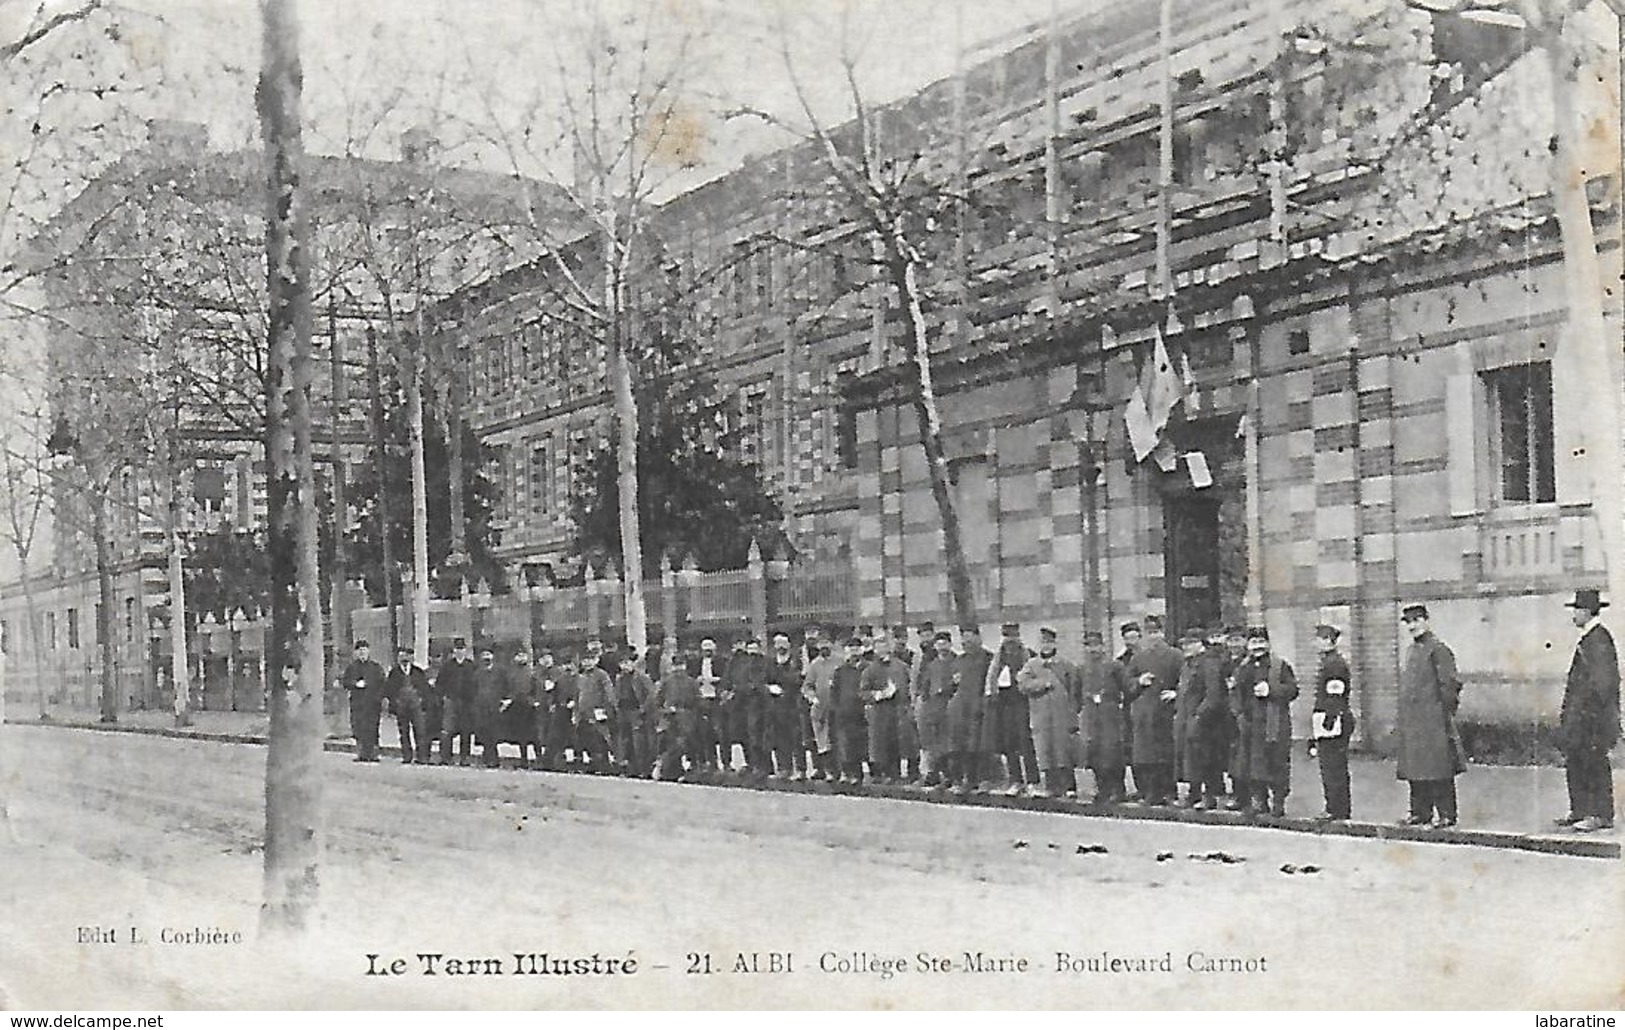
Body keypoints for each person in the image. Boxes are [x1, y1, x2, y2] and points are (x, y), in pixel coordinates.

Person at [1395, 605, 1464, 828]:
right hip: (1413, 721)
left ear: (1427, 621)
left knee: (1438, 768)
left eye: (1417, 620)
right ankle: (1420, 812)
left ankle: (1446, 814)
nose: (1412, 626)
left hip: (1434, 720)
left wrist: (1443, 712)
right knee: (1416, 768)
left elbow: (1450, 684)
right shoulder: (1411, 651)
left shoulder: (1439, 649)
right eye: (1408, 622)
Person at [1557, 589, 1619, 832]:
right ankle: (1580, 810)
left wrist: (1589, 717)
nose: (1573, 614)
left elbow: (1602, 686)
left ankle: (1600, 814)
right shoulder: (1589, 638)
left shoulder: (1599, 640)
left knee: (1594, 763)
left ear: (1585, 611)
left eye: (1575, 610)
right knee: (1577, 762)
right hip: (1580, 719)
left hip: (1592, 720)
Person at [1232, 626, 1298, 816]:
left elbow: (1293, 690)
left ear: (1268, 644)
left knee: (1277, 764)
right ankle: (1259, 801)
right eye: (1254, 642)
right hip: (1251, 725)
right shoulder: (1243, 668)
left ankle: (1278, 802)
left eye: (1261, 642)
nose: (1257, 647)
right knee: (1254, 766)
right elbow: (1235, 694)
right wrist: (1239, 715)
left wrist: (1272, 690)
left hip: (1275, 724)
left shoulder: (1280, 666)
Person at [1125, 615, 1181, 805]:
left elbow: (1186, 681)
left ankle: (1169, 792)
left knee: (1166, 754)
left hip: (1166, 711)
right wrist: (1139, 682)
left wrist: (1176, 694)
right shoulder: (1138, 658)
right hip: (1144, 712)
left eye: (1156, 632)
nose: (1153, 637)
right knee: (1147, 756)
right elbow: (1127, 685)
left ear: (1163, 633)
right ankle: (1151, 792)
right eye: (1149, 633)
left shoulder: (1175, 655)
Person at [1017, 627, 1078, 798]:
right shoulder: (1032, 665)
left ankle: (1069, 787)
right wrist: (1042, 684)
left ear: (1055, 644)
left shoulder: (1065, 664)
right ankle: (1051, 787)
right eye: (1043, 642)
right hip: (1041, 715)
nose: (1046, 646)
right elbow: (1022, 684)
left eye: (1049, 642)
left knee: (1063, 750)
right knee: (1046, 751)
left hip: (1061, 714)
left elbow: (1074, 687)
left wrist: (1073, 711)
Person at [983, 622, 1037, 795]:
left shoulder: (1027, 656)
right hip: (1004, 705)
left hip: (1023, 703)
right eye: (1007, 637)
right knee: (1009, 743)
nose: (1010, 641)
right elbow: (991, 679)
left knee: (1026, 743)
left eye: (1013, 636)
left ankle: (1033, 781)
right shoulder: (998, 659)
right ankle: (1015, 780)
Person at [1309, 624, 1355, 821]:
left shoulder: (1334, 664)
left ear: (1328, 640)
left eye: (1320, 638)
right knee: (1331, 766)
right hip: (1331, 719)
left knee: (1332, 767)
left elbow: (1335, 694)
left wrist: (1328, 722)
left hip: (1333, 721)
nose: (1316, 642)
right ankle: (1336, 808)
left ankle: (1336, 809)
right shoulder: (1329, 662)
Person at [1076, 629, 1128, 803]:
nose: (1093, 649)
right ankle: (1102, 788)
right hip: (1091, 715)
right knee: (1094, 752)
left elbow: (1126, 688)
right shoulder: (1082, 669)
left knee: (1112, 752)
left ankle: (1118, 790)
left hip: (1110, 714)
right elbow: (1076, 692)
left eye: (1096, 645)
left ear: (1103, 646)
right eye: (1089, 646)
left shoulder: (1115, 666)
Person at [945, 626, 992, 796]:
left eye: (970, 638)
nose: (966, 643)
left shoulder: (988, 659)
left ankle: (976, 779)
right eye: (964, 640)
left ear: (979, 638)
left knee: (977, 745)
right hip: (960, 708)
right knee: (958, 744)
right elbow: (950, 685)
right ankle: (958, 779)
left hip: (979, 707)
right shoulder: (958, 661)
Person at [860, 634, 911, 782]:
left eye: (885, 646)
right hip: (880, 712)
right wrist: (880, 694)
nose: (882, 650)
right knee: (882, 743)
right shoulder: (870, 670)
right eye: (879, 647)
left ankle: (901, 772)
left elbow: (910, 683)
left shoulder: (900, 666)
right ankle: (886, 773)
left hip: (899, 710)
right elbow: (863, 692)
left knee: (900, 742)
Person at [915, 631, 957, 788]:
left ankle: (952, 776)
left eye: (945, 643)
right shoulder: (932, 665)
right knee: (934, 744)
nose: (942, 647)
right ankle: (936, 773)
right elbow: (924, 688)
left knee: (950, 744)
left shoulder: (956, 662)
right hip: (934, 710)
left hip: (951, 709)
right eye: (939, 644)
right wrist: (925, 701)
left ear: (950, 644)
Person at [1171, 628, 1208, 805]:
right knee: (1189, 757)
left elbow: (1211, 693)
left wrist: (1199, 715)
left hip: (1200, 717)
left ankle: (1206, 796)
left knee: (1201, 756)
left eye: (1188, 643)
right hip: (1185, 715)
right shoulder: (1187, 664)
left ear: (1199, 643)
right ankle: (1194, 794)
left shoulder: (1206, 663)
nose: (1185, 647)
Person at [653, 653, 703, 781]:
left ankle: (690, 771)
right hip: (671, 720)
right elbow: (657, 701)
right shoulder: (667, 682)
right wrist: (665, 711)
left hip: (688, 719)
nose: (679, 669)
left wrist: (693, 714)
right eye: (676, 666)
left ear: (685, 666)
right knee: (671, 745)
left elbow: (699, 701)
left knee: (687, 745)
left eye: (681, 665)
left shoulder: (692, 682)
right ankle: (671, 771)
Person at [728, 638, 770, 778]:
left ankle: (761, 765)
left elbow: (766, 680)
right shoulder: (740, 663)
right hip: (741, 703)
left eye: (754, 648)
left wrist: (755, 687)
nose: (752, 651)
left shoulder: (765, 662)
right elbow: (734, 679)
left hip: (759, 703)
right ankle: (750, 763)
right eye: (749, 648)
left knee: (757, 735)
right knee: (743, 734)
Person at [830, 636, 869, 783]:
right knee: (847, 746)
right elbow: (834, 692)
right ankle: (850, 774)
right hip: (845, 715)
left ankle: (871, 775)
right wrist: (837, 710)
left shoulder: (868, 668)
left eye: (857, 649)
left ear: (862, 650)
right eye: (851, 649)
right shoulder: (840, 671)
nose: (854, 653)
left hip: (863, 714)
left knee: (864, 745)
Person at [340, 640, 387, 763]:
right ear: (356, 652)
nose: (362, 652)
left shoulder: (376, 667)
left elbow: (383, 683)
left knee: (373, 728)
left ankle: (373, 753)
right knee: (359, 728)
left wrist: (379, 698)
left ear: (369, 651)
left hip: (372, 703)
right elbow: (345, 682)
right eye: (359, 650)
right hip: (358, 703)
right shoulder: (351, 667)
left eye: (364, 650)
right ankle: (361, 753)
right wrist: (355, 684)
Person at [765, 633, 804, 778]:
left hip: (794, 704)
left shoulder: (796, 661)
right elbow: (765, 680)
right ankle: (784, 768)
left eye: (784, 643)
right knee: (780, 738)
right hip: (776, 705)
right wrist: (770, 688)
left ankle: (800, 769)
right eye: (778, 643)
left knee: (796, 738)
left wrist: (784, 680)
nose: (781, 646)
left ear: (789, 644)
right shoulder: (770, 662)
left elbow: (798, 678)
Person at [383, 644, 430, 764]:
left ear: (411, 658)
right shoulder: (394, 673)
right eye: (402, 656)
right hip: (401, 707)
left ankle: (422, 757)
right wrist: (395, 702)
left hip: (416, 706)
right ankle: (407, 756)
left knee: (419, 731)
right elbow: (389, 690)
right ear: (398, 658)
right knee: (403, 732)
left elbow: (425, 689)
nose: (404, 659)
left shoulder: (418, 672)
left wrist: (422, 701)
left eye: (407, 656)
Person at [436, 638, 478, 766]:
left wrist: (473, 699)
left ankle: (464, 758)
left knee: (466, 731)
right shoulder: (447, 666)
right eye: (457, 649)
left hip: (466, 702)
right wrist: (443, 698)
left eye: (462, 649)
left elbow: (476, 684)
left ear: (465, 650)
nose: (460, 651)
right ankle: (445, 758)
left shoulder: (471, 666)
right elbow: (440, 684)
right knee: (447, 731)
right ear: (454, 651)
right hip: (451, 701)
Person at [614, 650, 656, 778]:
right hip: (623, 711)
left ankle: (643, 769)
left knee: (639, 741)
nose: (625, 666)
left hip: (636, 711)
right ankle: (630, 768)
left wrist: (643, 708)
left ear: (633, 663)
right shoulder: (620, 678)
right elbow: (616, 695)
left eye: (627, 663)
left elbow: (652, 693)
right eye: (622, 663)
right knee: (626, 741)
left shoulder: (641, 677)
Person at [802, 635, 839, 781]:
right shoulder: (815, 665)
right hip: (820, 709)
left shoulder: (839, 662)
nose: (824, 647)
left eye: (826, 644)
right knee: (822, 741)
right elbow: (807, 686)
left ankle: (839, 771)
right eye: (821, 645)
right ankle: (826, 770)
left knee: (837, 739)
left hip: (836, 707)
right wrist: (813, 698)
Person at [573, 647, 615, 772]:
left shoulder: (602, 675)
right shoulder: (581, 676)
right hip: (583, 712)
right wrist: (576, 711)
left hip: (597, 711)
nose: (587, 662)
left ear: (596, 660)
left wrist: (605, 709)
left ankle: (604, 765)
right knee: (585, 738)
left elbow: (609, 693)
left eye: (590, 659)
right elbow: (577, 694)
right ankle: (592, 763)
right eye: (585, 660)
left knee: (600, 738)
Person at [1222, 626, 1250, 809]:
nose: (1234, 644)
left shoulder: (1247, 663)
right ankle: (1235, 791)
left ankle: (1244, 796)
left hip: (1243, 714)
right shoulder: (1225, 663)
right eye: (1231, 640)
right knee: (1231, 756)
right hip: (1227, 714)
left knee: (1243, 755)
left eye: (1238, 640)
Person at [693, 637, 728, 773]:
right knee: (705, 732)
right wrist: (698, 680)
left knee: (720, 731)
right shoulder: (697, 663)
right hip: (703, 698)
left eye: (710, 649)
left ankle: (726, 762)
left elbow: (726, 678)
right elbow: (692, 677)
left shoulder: (721, 662)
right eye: (705, 649)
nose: (707, 652)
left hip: (716, 699)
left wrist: (716, 680)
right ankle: (710, 762)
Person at [473, 644, 507, 769]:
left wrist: (504, 701)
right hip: (481, 707)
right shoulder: (477, 673)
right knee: (483, 732)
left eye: (488, 655)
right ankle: (487, 755)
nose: (486, 658)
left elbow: (506, 687)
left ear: (493, 656)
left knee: (494, 733)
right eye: (484, 655)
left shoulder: (500, 672)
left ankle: (493, 758)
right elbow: (474, 689)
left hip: (495, 706)